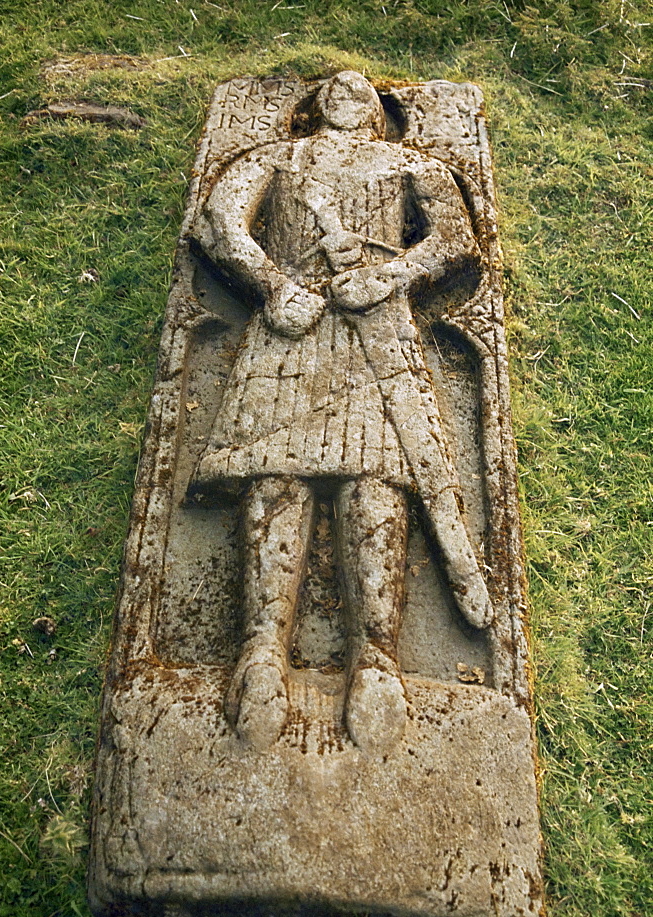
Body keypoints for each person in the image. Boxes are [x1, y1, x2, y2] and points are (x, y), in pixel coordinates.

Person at [191, 71, 493, 752]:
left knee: (376, 482)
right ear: (310, 108)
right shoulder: (273, 159)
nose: (345, 85)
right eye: (332, 85)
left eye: (361, 88)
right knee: (275, 475)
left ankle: (377, 662)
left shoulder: (411, 164)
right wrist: (272, 284)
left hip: (378, 327)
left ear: (381, 114)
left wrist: (388, 275)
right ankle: (260, 653)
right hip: (291, 325)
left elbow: (453, 239)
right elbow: (218, 224)